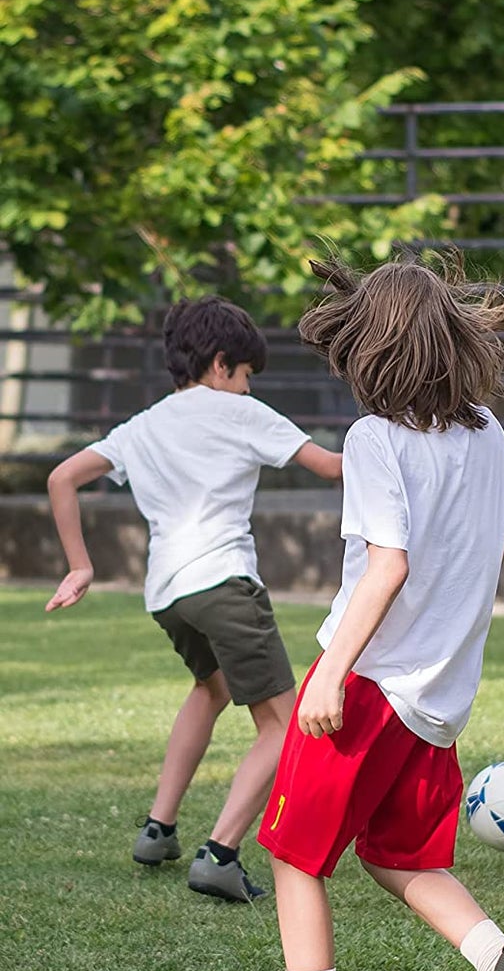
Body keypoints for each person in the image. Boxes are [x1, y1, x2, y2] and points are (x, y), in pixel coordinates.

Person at [218, 252, 504, 971]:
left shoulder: (376, 439)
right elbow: (502, 522)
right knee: (399, 855)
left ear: (374, 352)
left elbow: (387, 566)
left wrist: (333, 674)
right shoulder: (488, 434)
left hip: (369, 684)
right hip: (438, 699)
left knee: (293, 852)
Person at [45, 295, 342, 902]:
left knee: (212, 689)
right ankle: (221, 853)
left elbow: (62, 478)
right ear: (220, 363)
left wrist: (80, 566)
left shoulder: (146, 423)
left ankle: (158, 829)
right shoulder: (242, 414)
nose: (249, 386)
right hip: (225, 582)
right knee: (287, 727)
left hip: (168, 592)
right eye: (247, 374)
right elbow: (332, 468)